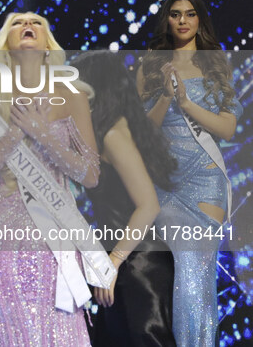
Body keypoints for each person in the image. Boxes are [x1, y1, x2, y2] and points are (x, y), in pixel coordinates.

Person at [0, 12, 109, 346]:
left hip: (53, 239)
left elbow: (90, 175)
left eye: (37, 22)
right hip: (3, 241)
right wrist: (13, 136)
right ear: (5, 45)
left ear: (47, 46)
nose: (27, 25)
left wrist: (43, 134)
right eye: (17, 22)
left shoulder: (72, 96)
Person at [137, 0, 243, 346]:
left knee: (195, 272)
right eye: (175, 13)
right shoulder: (151, 62)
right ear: (167, 19)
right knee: (175, 273)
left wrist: (185, 102)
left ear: (199, 21)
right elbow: (141, 132)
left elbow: (227, 128)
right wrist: (166, 95)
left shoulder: (215, 62)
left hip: (206, 182)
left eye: (190, 13)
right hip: (164, 184)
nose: (182, 20)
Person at [71, 50, 177, 346]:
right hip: (126, 260)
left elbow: (148, 205)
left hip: (138, 263)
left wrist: (113, 263)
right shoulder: (109, 130)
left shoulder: (114, 135)